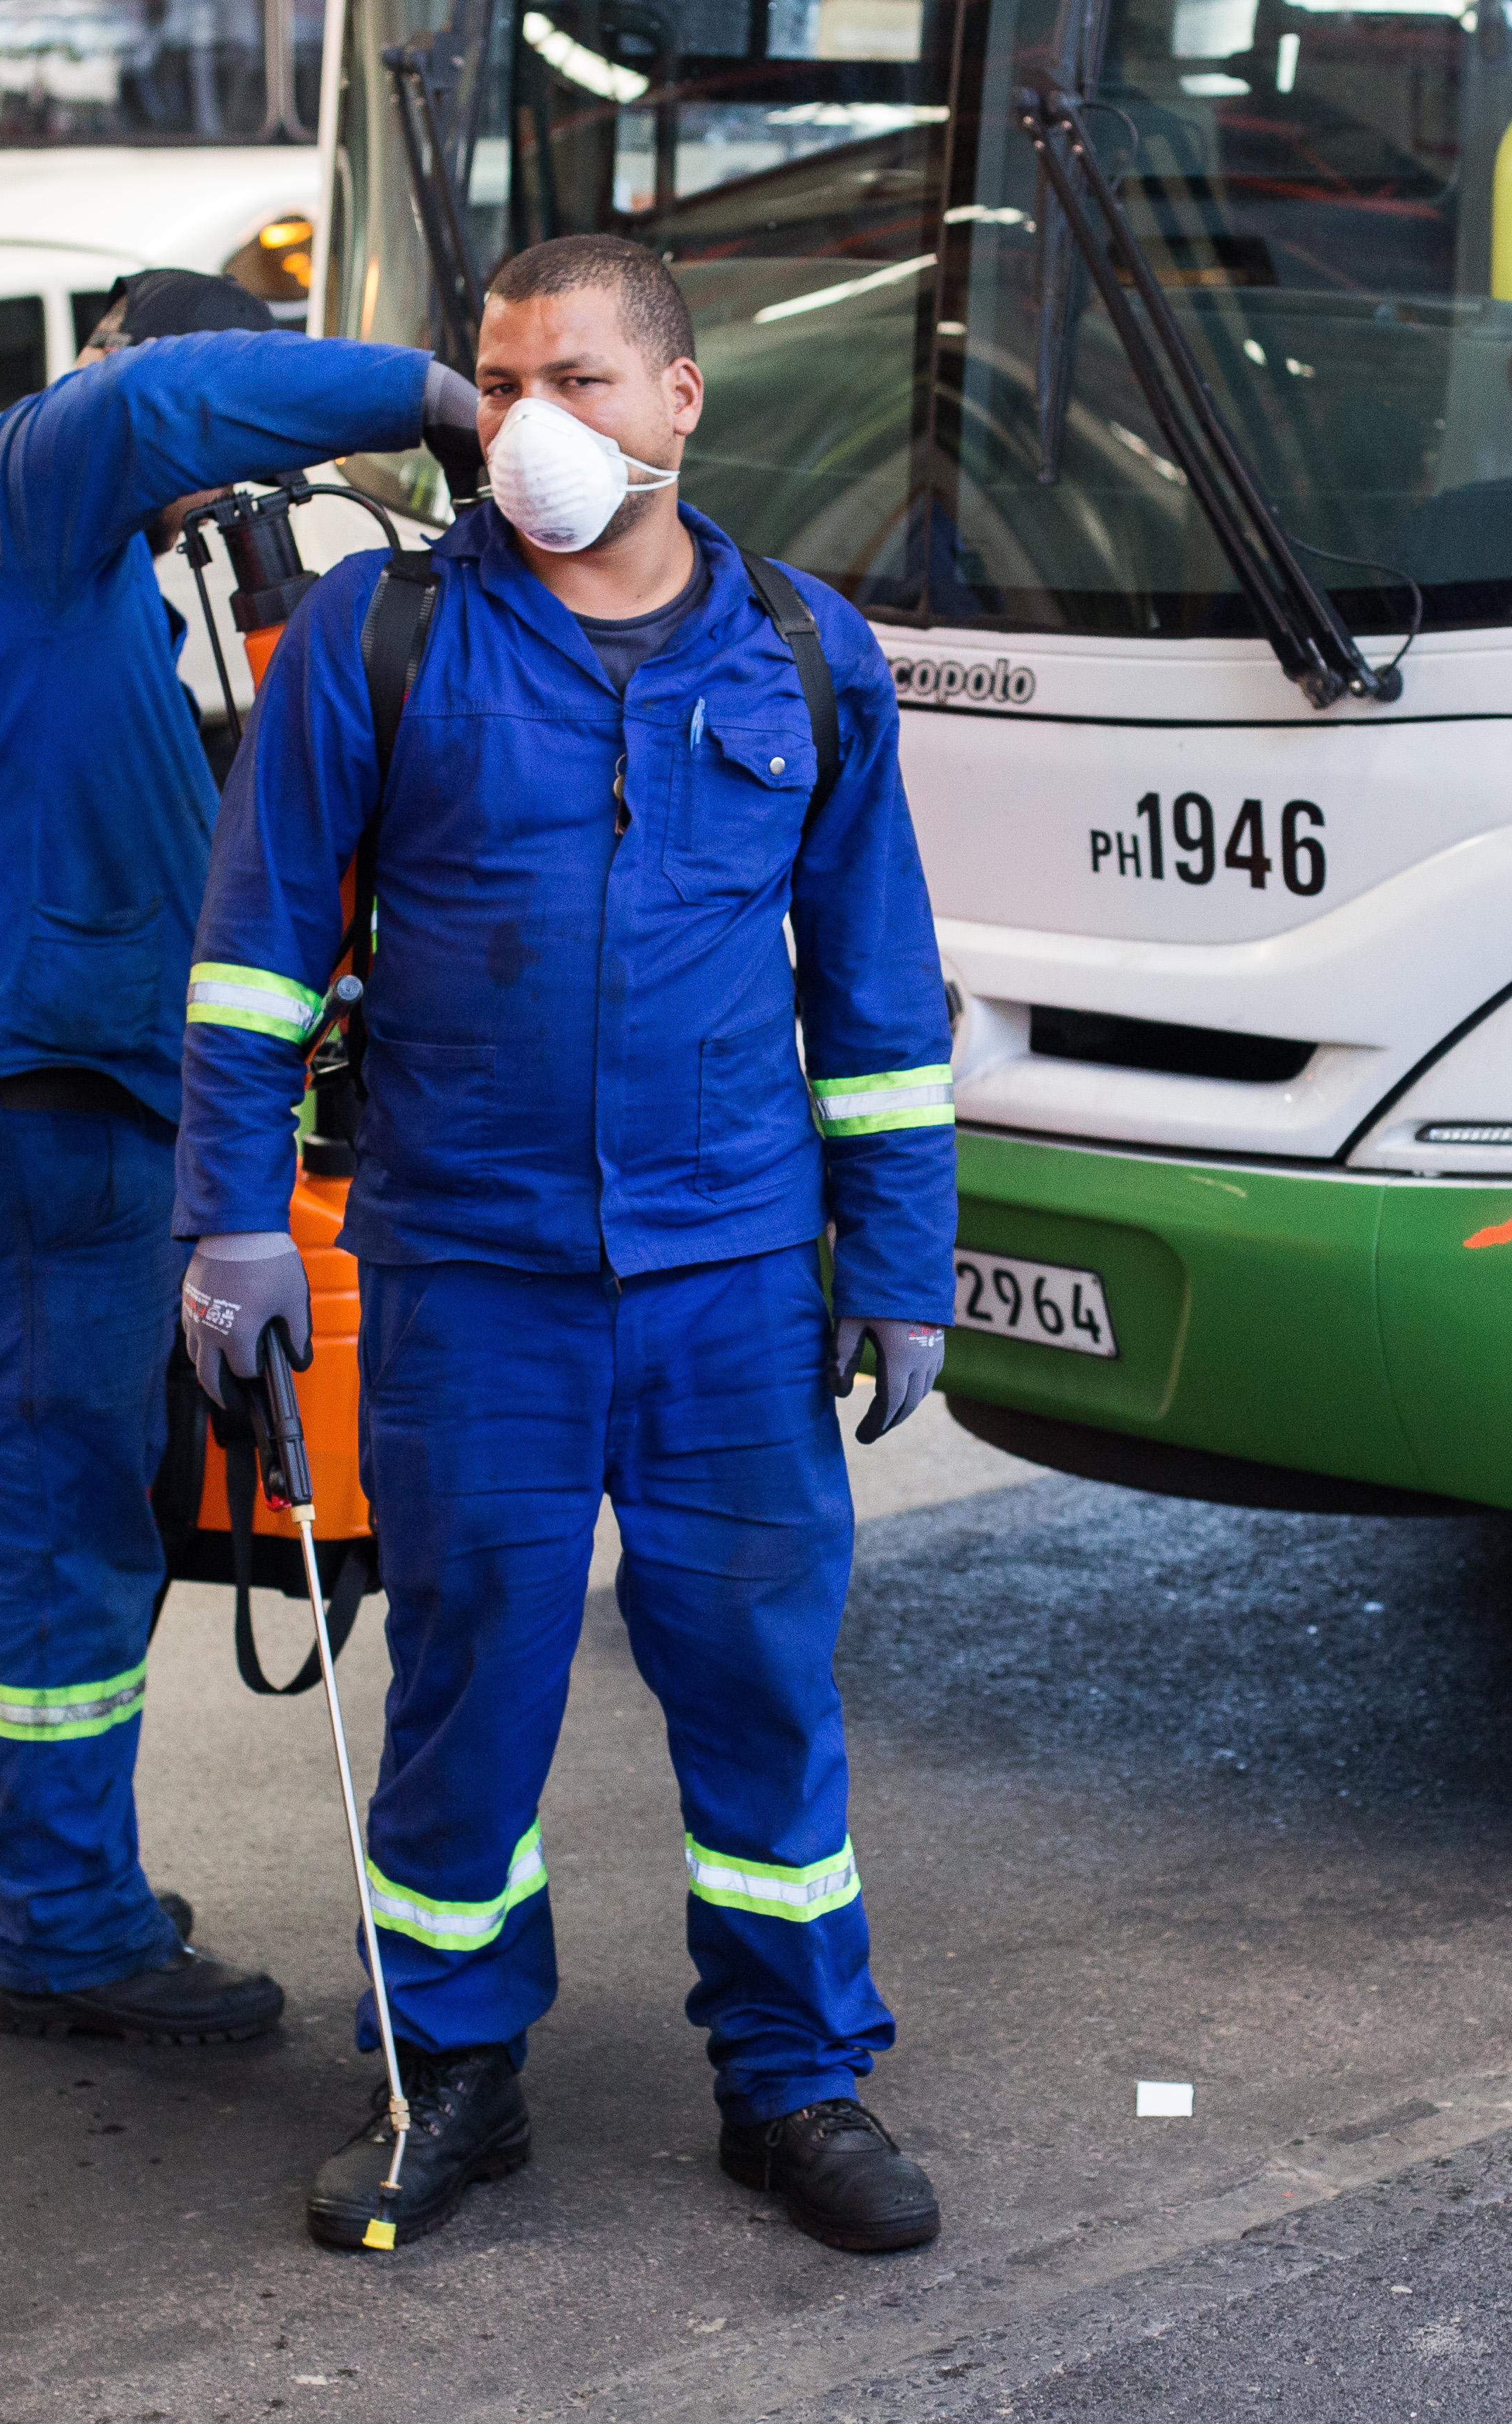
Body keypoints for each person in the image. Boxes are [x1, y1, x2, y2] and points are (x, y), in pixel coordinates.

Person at [174, 235, 956, 2256]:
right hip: (473, 1278)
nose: (535, 423)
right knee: (468, 1690)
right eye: (502, 382)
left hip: (730, 1281)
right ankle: (451, 2075)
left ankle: (797, 2080)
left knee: (761, 1686)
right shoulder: (380, 637)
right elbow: (255, 965)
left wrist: (900, 1257)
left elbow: (877, 995)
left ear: (682, 402)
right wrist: (233, 1230)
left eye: (582, 380)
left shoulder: (803, 652)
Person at [0, 271, 474, 2041]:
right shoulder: (23, 483)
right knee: (58, 1525)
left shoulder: (69, 590)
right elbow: (145, 412)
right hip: (33, 1098)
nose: (212, 493)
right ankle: (71, 1926)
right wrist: (435, 398)